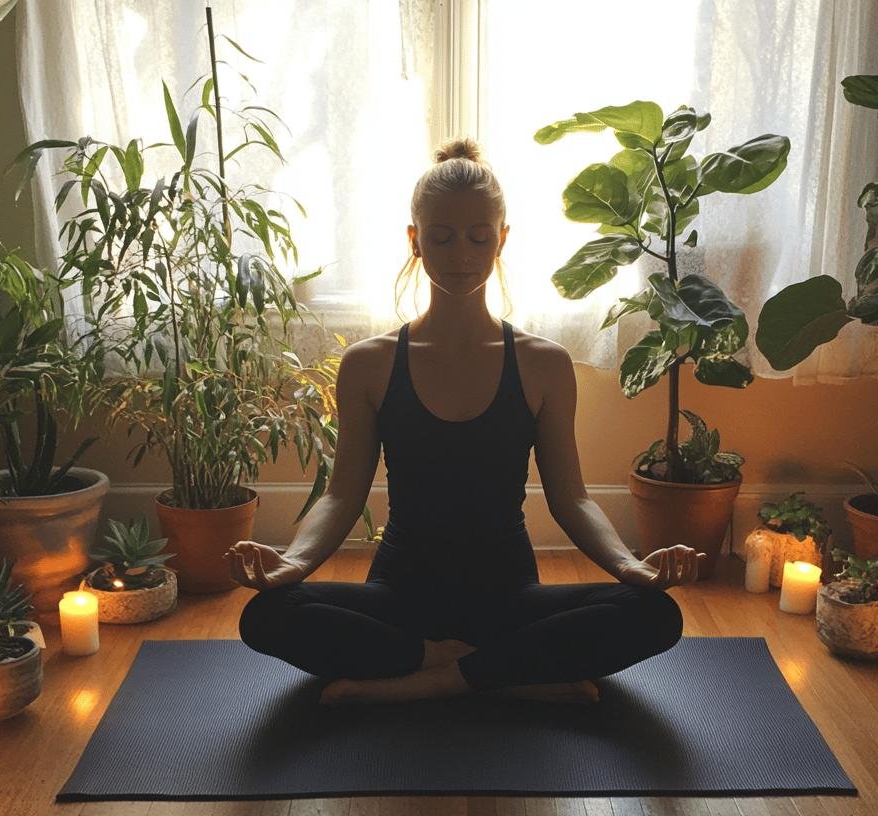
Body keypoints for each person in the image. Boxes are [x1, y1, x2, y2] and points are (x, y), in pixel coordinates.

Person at [229, 137, 702, 706]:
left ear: (502, 239)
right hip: (400, 600)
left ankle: (425, 682)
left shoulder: (544, 363)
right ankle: (503, 678)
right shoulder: (369, 365)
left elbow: (571, 499)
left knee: (655, 614)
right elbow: (341, 497)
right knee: (267, 615)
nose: (460, 255)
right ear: (414, 239)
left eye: (479, 238)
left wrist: (631, 567)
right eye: (441, 237)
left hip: (509, 601)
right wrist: (292, 564)